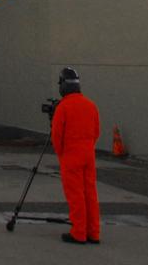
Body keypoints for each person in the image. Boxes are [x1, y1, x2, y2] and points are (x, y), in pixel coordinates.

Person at [51, 66, 101, 245]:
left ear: (63, 85)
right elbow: (96, 132)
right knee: (90, 194)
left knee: (75, 194)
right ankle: (93, 232)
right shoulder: (91, 105)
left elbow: (56, 136)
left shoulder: (63, 107)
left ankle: (79, 232)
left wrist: (61, 154)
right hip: (88, 154)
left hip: (71, 155)